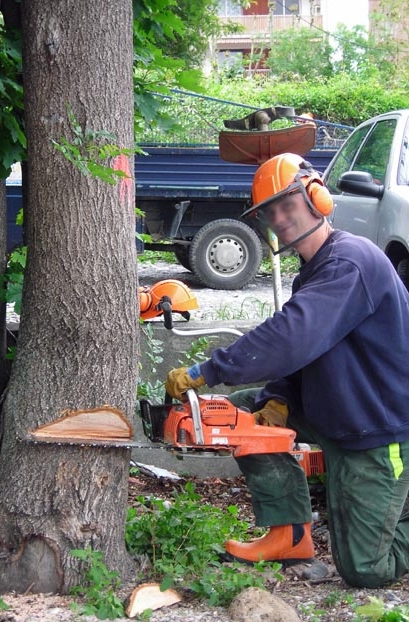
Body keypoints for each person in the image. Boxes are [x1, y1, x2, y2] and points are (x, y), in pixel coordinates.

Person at [165, 152, 409, 588]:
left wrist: (207, 370)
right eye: (269, 211)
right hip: (334, 411)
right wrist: (279, 397)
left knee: (366, 570)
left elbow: (291, 337)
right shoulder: (313, 273)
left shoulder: (350, 262)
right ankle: (288, 535)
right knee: (238, 413)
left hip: (377, 428)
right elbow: (305, 353)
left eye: (287, 202)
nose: (279, 217)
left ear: (315, 196)